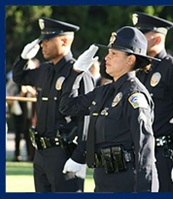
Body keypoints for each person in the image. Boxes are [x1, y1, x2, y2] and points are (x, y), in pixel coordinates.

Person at [59, 26, 159, 192]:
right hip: (102, 180)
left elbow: (145, 148)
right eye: (108, 53)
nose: (107, 58)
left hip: (126, 182)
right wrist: (76, 72)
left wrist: (145, 191)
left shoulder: (135, 96)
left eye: (114, 54)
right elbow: (67, 107)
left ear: (130, 60)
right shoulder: (104, 91)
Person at [12, 17, 94, 192]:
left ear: (64, 41)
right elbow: (19, 77)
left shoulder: (79, 72)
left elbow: (87, 119)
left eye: (47, 40)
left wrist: (79, 157)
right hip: (41, 153)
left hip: (64, 153)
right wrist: (23, 58)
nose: (43, 45)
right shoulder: (44, 70)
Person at [132, 12, 173, 192]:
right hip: (138, 154)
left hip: (164, 156)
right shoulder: (139, 71)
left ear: (157, 40)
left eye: (141, 36)